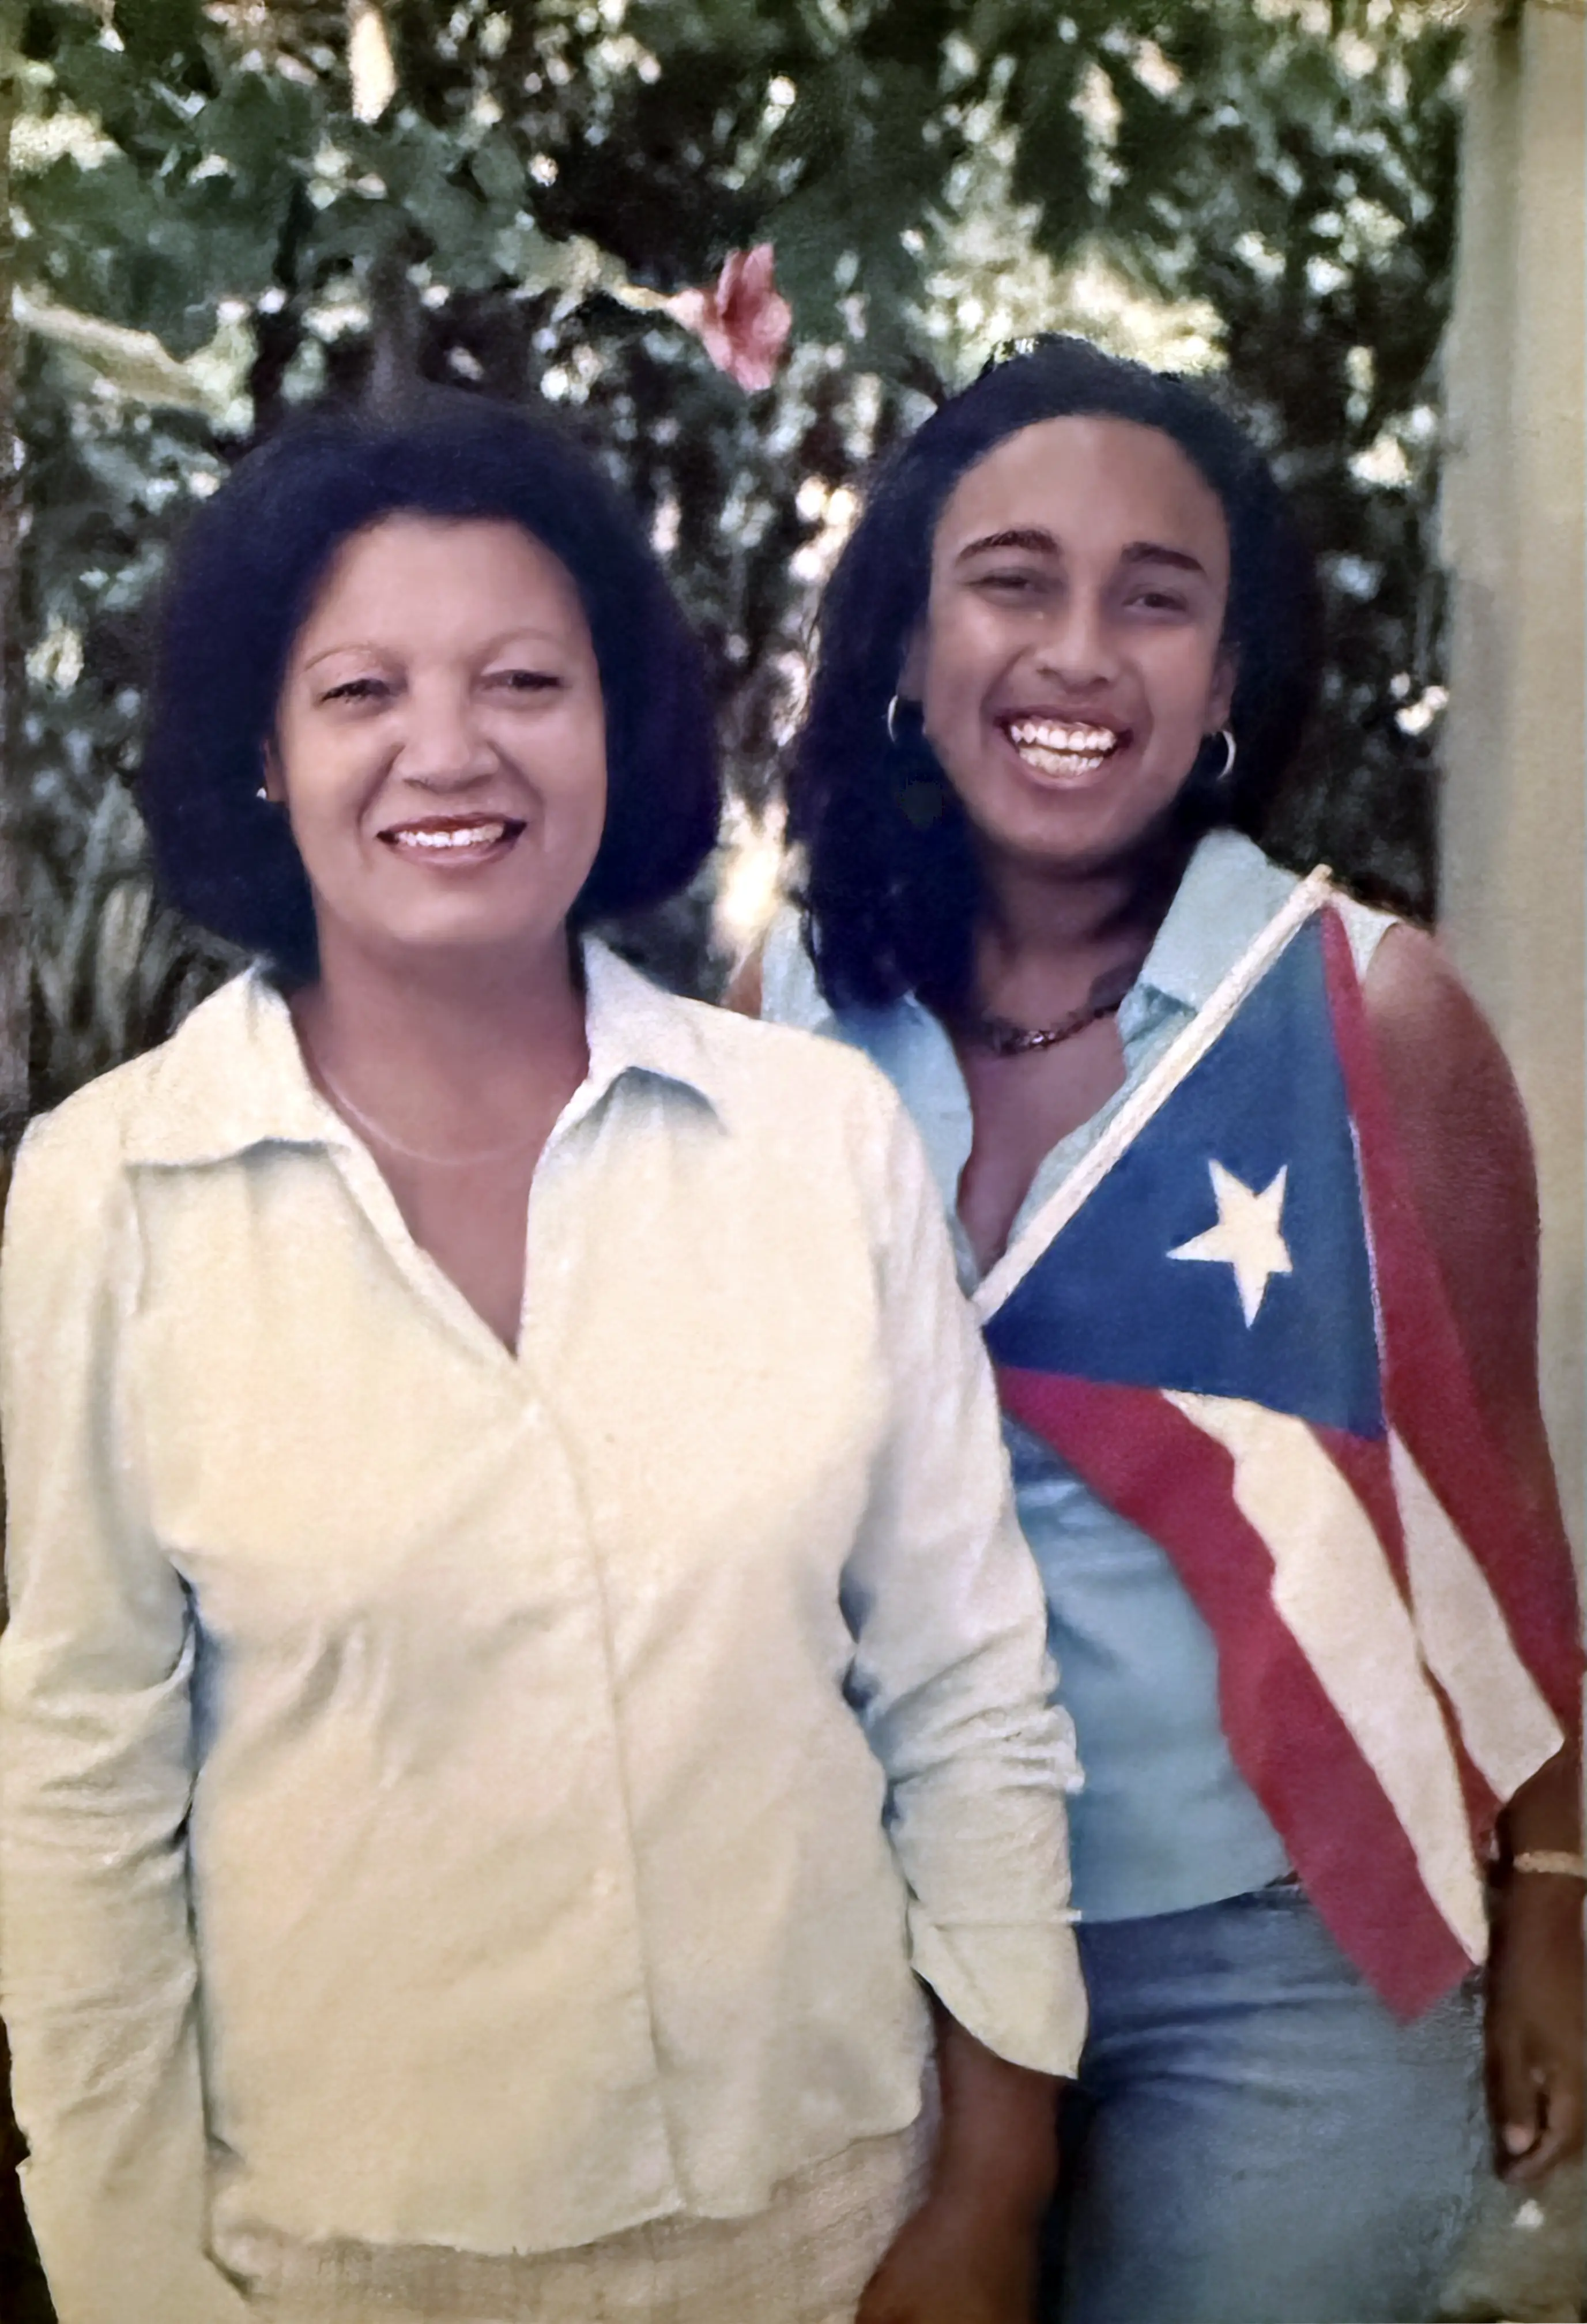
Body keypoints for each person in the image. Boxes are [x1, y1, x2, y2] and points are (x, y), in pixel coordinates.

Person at [0, 389, 1088, 2324]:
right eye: (360, 692)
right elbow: (83, 1783)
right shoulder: (113, 1196)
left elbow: (968, 1689)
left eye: (524, 679)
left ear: (615, 728)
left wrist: (993, 2189)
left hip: (833, 2221)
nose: (451, 749)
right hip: (335, 2261)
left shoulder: (813, 1145)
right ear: (260, 749)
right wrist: (122, 2278)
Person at [747, 334, 1585, 2324]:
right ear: (909, 635)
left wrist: (1554, 1896)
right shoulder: (785, 1005)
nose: (1080, 652)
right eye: (1014, 580)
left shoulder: (1366, 1007)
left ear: (1225, 679)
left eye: (1157, 599)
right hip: (881, 1935)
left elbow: (1498, 1492)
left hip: (1276, 1948)